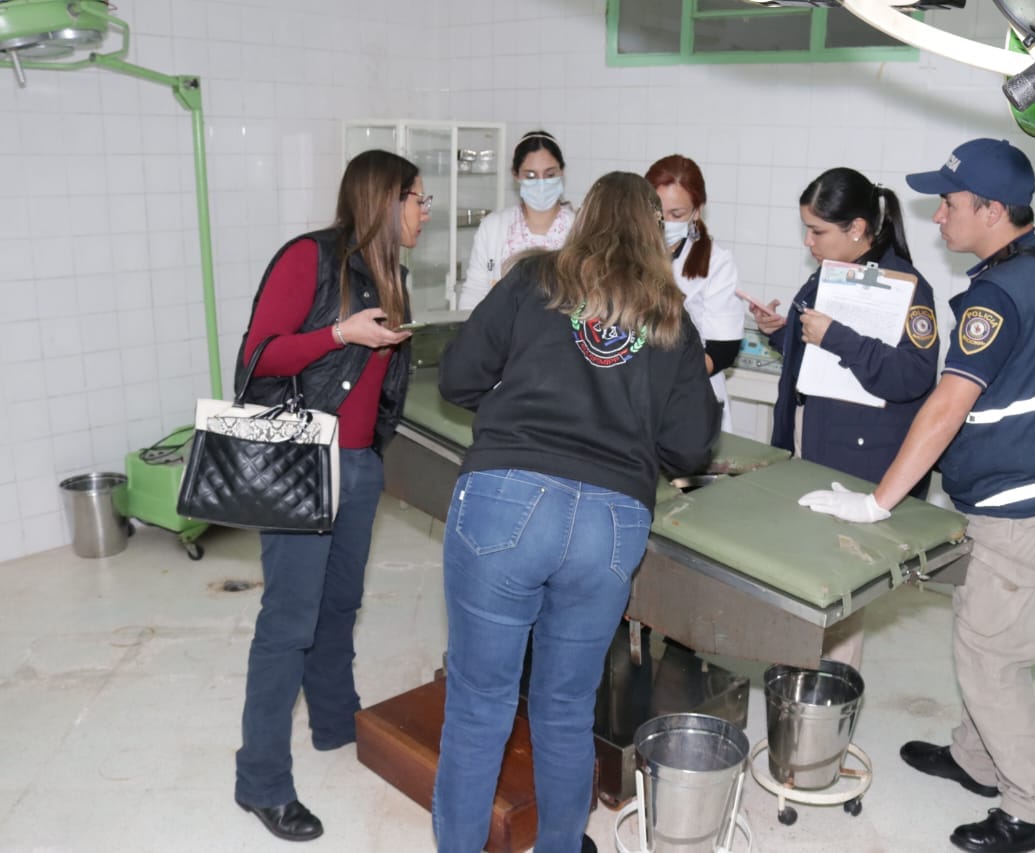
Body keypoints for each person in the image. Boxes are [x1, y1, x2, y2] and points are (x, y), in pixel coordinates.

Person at [798, 138, 1035, 853]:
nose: (938, 219)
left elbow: (943, 405)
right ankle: (976, 757)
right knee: (983, 627)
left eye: (951, 204)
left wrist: (877, 502)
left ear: (992, 210)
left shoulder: (997, 295)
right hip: (1034, 488)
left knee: (992, 656)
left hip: (1021, 505)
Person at [433, 172, 720, 853]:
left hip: (507, 502)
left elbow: (458, 376)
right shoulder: (671, 317)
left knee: (479, 707)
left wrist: (520, 407)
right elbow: (689, 446)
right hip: (611, 522)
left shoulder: (535, 278)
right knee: (564, 708)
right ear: (657, 232)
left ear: (583, 217)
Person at [231, 149, 423, 842]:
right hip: (301, 460)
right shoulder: (307, 259)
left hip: (360, 464)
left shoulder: (390, 273)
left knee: (341, 602)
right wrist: (341, 332)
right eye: (417, 199)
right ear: (383, 199)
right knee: (289, 620)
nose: (424, 212)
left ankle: (337, 721)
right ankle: (260, 780)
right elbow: (261, 355)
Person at [748, 167, 938, 669]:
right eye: (807, 229)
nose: (809, 242)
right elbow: (820, 355)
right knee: (806, 575)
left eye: (818, 231)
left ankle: (826, 695)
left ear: (857, 229)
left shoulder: (906, 287)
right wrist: (783, 332)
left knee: (839, 591)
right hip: (814, 449)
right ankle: (799, 676)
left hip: (859, 465)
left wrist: (835, 336)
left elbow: (912, 378)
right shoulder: (830, 274)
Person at [645, 154, 745, 433]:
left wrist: (667, 381)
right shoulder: (623, 255)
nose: (664, 221)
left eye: (676, 214)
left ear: (696, 211)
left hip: (690, 395)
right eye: (657, 212)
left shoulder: (716, 261)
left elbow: (723, 348)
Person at [458, 129, 575, 310]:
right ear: (515, 175)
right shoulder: (493, 227)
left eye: (550, 175)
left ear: (562, 172)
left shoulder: (579, 228)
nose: (541, 183)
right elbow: (474, 293)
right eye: (530, 175)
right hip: (502, 335)